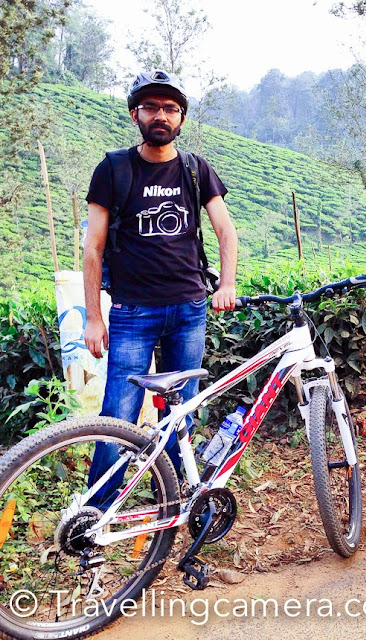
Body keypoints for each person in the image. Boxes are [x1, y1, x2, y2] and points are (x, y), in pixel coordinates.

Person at [83, 69, 238, 505]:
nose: (161, 115)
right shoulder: (113, 169)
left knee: (179, 413)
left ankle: (169, 500)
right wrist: (94, 317)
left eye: (170, 108)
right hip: (132, 313)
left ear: (181, 119)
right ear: (135, 114)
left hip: (189, 309)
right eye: (151, 107)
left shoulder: (195, 169)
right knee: (118, 414)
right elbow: (92, 248)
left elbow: (226, 230)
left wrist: (226, 284)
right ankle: (97, 512)